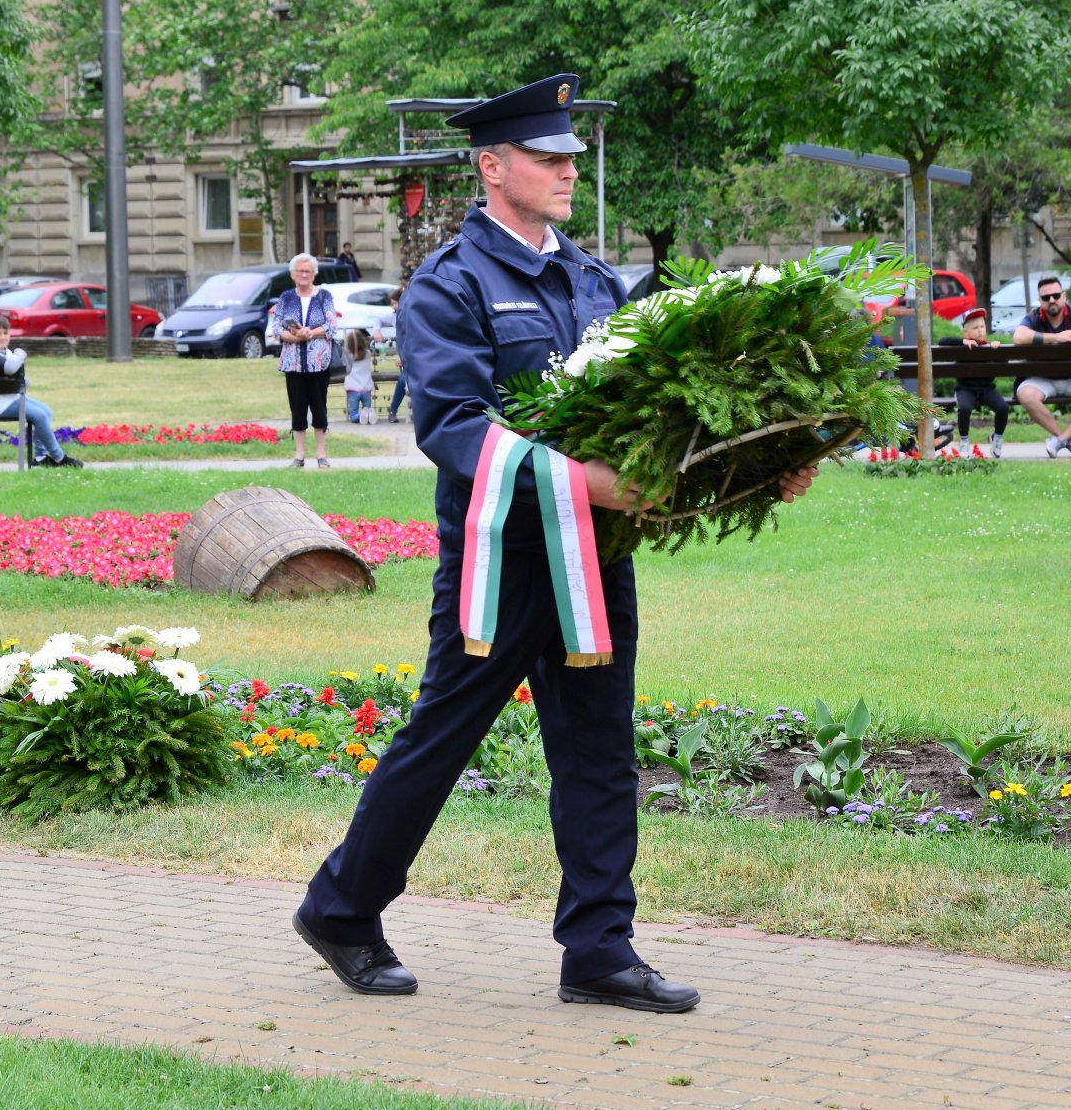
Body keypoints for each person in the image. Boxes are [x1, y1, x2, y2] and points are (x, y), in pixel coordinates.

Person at [293, 73, 816, 1014]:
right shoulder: (450, 284)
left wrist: (754, 465)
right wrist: (584, 482)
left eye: (572, 154)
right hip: (503, 561)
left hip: (595, 555)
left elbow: (652, 420)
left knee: (600, 751)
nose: (569, 168)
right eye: (548, 156)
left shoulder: (591, 278)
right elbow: (453, 425)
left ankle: (600, 949)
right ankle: (341, 910)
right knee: (440, 742)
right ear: (494, 167)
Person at [1011, 274, 1071, 457]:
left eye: (1056, 295)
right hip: (1041, 378)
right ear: (1040, 300)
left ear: (1064, 296)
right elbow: (1018, 337)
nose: (1052, 300)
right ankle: (1067, 439)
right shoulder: (1033, 318)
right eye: (1046, 298)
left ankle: (1061, 439)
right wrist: (1056, 338)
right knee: (1026, 394)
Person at [0, 316, 81, 467]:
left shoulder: (5, 352)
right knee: (39, 415)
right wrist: (21, 354)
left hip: (7, 399)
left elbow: (24, 381)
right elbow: (11, 368)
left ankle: (40, 458)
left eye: (5, 333)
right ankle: (60, 458)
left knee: (46, 411)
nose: (2, 337)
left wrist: (16, 363)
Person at [271, 253, 337, 468]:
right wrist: (295, 336)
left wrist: (312, 333)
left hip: (319, 363)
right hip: (293, 364)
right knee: (297, 408)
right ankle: (299, 457)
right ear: (293, 274)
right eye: (300, 271)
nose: (304, 274)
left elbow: (331, 326)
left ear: (314, 273)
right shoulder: (286, 297)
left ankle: (321, 456)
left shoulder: (324, 296)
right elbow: (277, 328)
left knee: (319, 407)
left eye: (308, 271)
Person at [939, 308, 1008, 457]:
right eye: (975, 328)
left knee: (1003, 408)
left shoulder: (989, 346)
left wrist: (997, 349)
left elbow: (1005, 361)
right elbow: (942, 341)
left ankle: (997, 438)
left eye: (982, 327)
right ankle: (964, 442)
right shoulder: (961, 345)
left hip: (987, 389)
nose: (979, 331)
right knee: (964, 408)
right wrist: (962, 342)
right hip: (965, 389)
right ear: (966, 332)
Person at [383, 269, 412, 422]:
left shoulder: (413, 311)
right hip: (407, 359)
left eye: (395, 303)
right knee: (403, 380)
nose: (393, 306)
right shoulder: (395, 316)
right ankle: (392, 411)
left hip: (416, 357)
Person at [341, 327, 376, 425]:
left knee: (353, 415)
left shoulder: (348, 356)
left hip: (353, 389)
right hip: (367, 388)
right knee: (367, 409)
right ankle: (368, 415)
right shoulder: (368, 354)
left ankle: (361, 416)